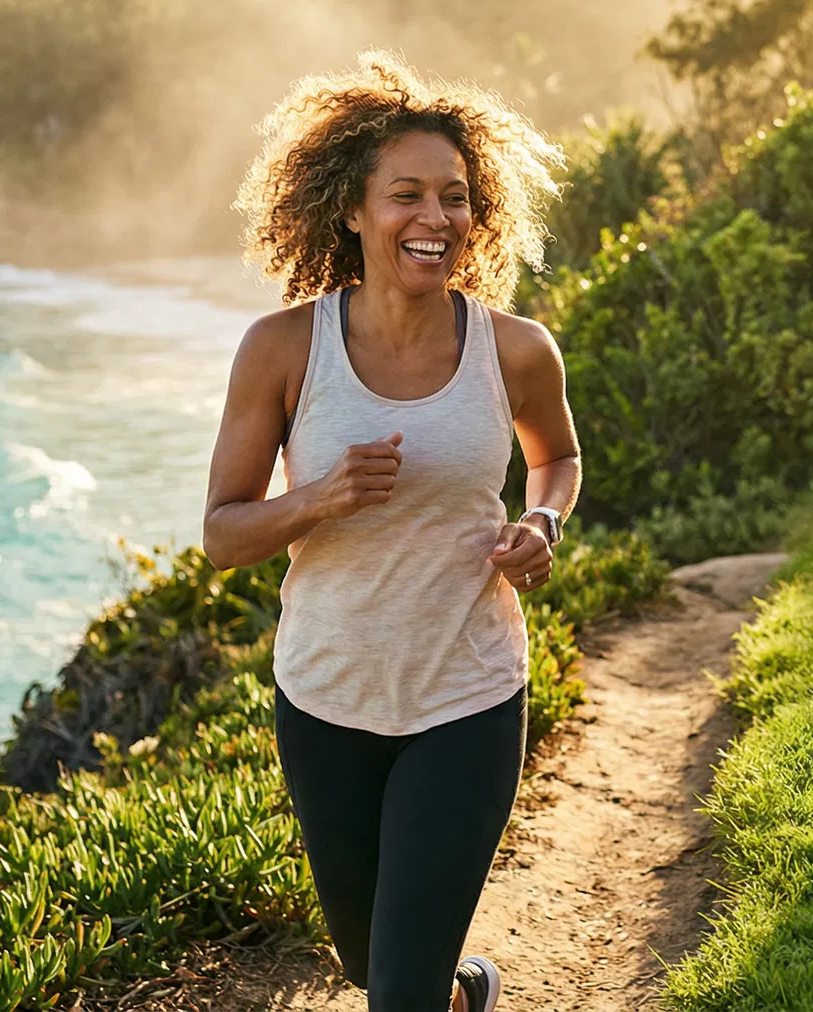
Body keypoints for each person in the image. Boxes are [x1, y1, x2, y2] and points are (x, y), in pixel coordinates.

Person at [202, 52, 578, 1012]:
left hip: (468, 692)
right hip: (326, 698)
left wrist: (541, 520)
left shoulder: (517, 349)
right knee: (376, 965)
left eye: (454, 197)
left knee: (393, 996)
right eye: (405, 194)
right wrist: (314, 501)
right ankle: (465, 993)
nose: (435, 218)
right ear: (351, 211)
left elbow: (557, 460)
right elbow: (223, 534)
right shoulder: (284, 349)